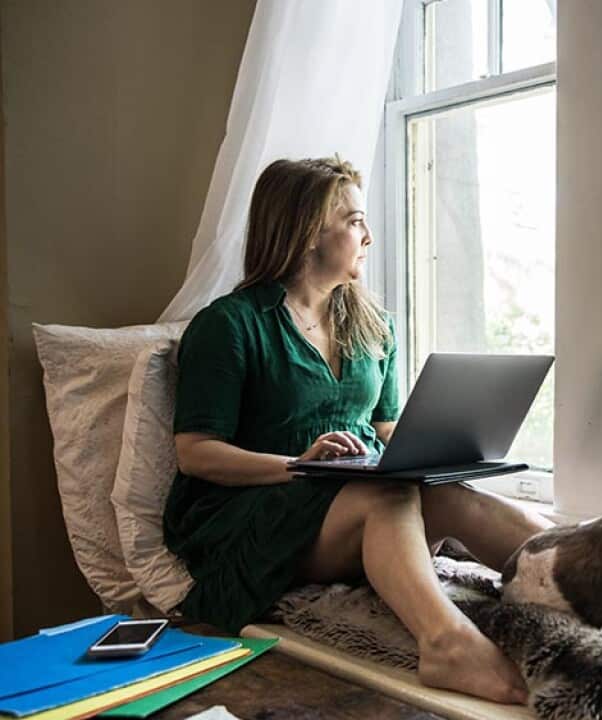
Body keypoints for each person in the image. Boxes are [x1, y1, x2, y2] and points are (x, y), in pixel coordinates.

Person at [162, 156, 550, 704]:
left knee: (453, 497)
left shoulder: (373, 324)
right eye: (355, 221)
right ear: (307, 232)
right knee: (388, 495)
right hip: (256, 512)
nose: (367, 237)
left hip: (352, 493)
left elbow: (385, 426)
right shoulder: (229, 325)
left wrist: (439, 450)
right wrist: (299, 465)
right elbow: (195, 453)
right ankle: (446, 643)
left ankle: (599, 575)